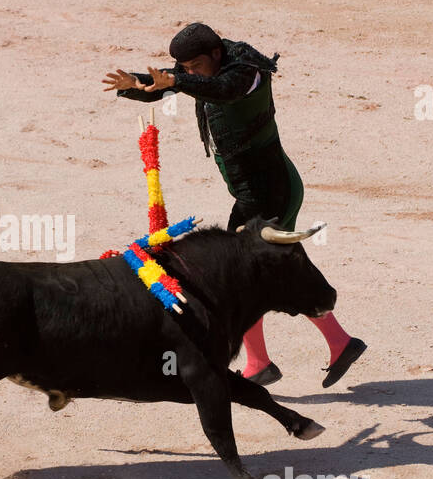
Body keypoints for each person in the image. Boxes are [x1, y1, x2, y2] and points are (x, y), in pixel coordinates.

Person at [102, 22, 365, 388]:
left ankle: (264, 362)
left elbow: (220, 90)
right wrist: (135, 84)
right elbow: (171, 83)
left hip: (270, 191)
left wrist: (179, 82)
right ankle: (334, 344)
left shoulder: (246, 71)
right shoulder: (202, 69)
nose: (188, 72)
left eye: (194, 65)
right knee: (267, 271)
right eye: (184, 68)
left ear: (214, 54)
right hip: (255, 191)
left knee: (239, 274)